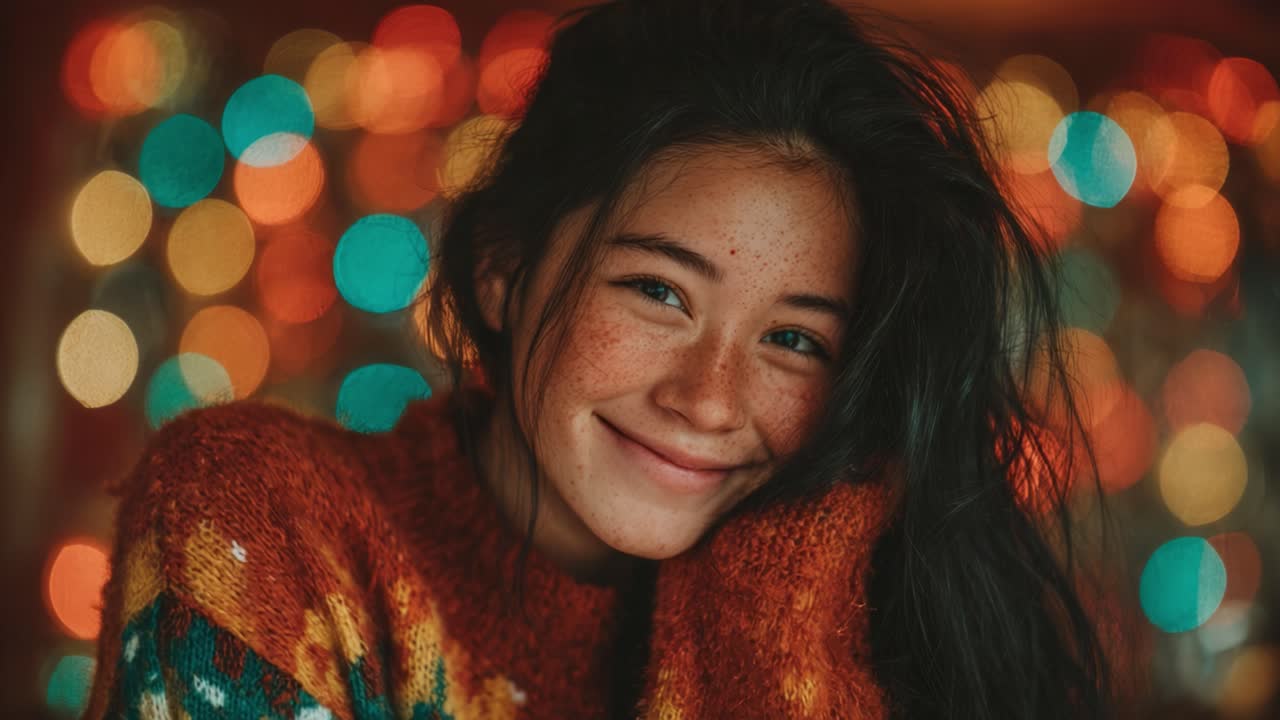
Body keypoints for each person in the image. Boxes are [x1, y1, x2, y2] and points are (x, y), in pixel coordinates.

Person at [85, 0, 1129, 718]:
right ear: (503, 265)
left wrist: (764, 625)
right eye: (658, 290)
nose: (708, 399)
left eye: (794, 340)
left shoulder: (849, 597)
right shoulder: (266, 515)